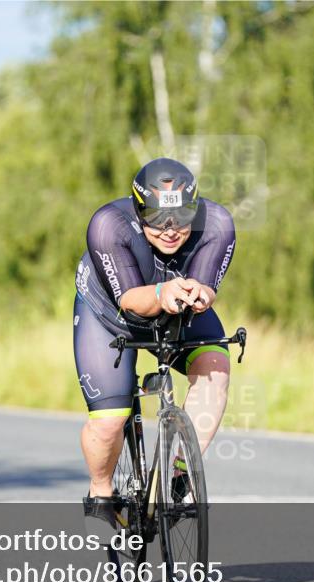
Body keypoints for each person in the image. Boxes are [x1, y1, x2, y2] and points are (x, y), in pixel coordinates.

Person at [73, 157, 236, 524]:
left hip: (177, 308)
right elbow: (131, 300)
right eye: (157, 218)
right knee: (109, 421)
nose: (169, 229)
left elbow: (207, 286)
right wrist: (163, 292)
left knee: (216, 368)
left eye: (180, 217)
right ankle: (101, 493)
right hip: (110, 316)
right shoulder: (108, 225)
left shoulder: (217, 223)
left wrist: (202, 295)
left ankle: (178, 477)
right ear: (138, 210)